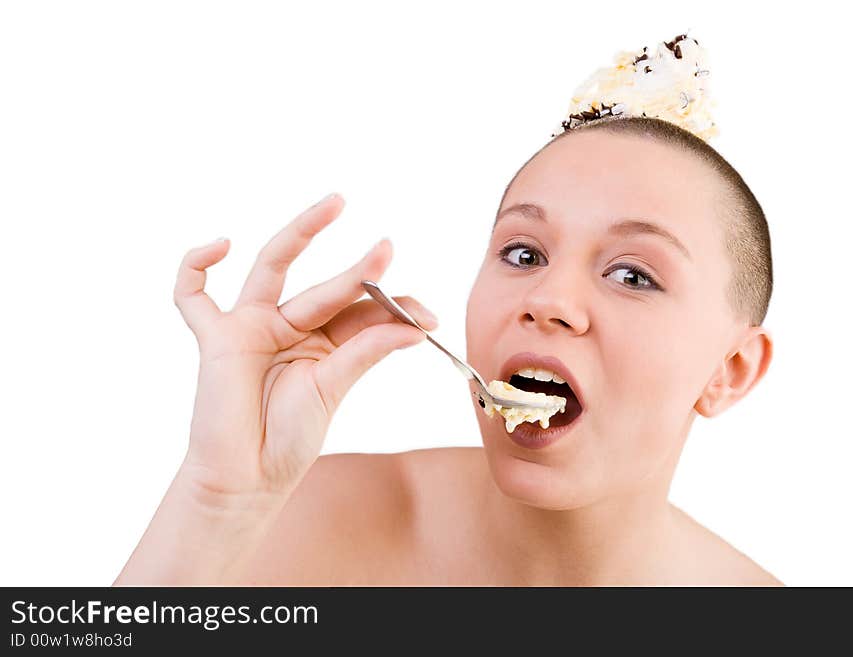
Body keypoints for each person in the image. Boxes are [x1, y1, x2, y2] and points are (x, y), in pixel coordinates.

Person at [115, 37, 782, 586]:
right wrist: (217, 502)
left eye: (632, 274)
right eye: (523, 254)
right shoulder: (302, 524)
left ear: (729, 369)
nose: (547, 300)